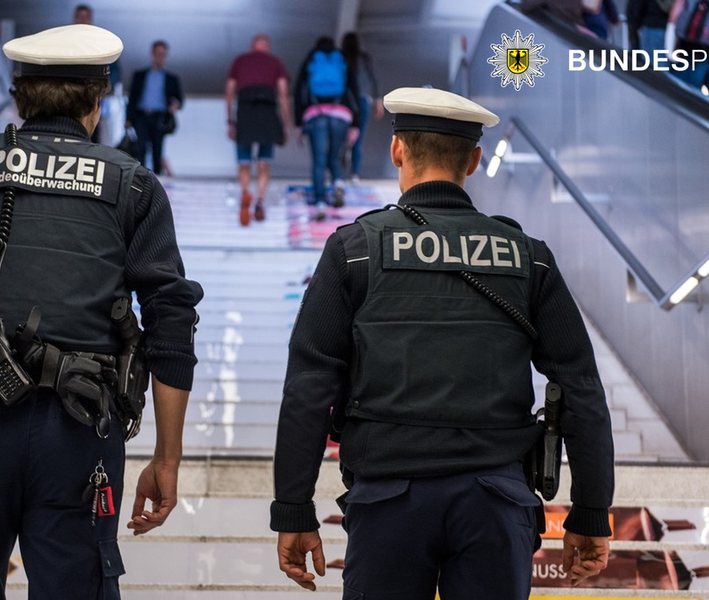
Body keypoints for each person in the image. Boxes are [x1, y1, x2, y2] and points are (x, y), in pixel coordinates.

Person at [270, 87, 614, 598]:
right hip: (497, 503)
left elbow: (308, 386)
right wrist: (589, 511)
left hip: (388, 502)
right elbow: (580, 386)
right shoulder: (528, 257)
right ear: (474, 161)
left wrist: (294, 507)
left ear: (397, 150)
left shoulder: (356, 250)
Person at [0, 24, 203, 599]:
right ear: (98, 101)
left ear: (18, 96)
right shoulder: (133, 187)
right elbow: (171, 323)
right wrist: (167, 457)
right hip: (79, 434)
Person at [225, 33, 291, 226]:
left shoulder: (240, 61)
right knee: (264, 162)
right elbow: (283, 93)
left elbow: (229, 92)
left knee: (243, 161)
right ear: (268, 46)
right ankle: (260, 201)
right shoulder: (275, 62)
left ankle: (245, 191)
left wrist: (230, 120)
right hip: (268, 112)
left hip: (245, 111)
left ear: (252, 45)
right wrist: (285, 124)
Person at [293, 35, 360, 221]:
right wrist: (355, 124)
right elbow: (354, 90)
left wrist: (298, 122)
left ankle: (320, 203)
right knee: (335, 156)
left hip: (315, 115)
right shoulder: (342, 60)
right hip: (340, 114)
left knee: (318, 160)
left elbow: (299, 90)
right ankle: (338, 183)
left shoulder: (311, 59)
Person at [126, 40, 184, 175]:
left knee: (157, 150)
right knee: (140, 149)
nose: (160, 57)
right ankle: (140, 178)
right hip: (141, 116)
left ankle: (157, 181)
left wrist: (175, 105)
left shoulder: (171, 79)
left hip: (160, 117)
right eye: (158, 54)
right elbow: (132, 98)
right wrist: (128, 119)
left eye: (163, 54)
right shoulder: (139, 75)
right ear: (152, 54)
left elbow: (180, 100)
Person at [72, 3, 124, 145]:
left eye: (86, 17)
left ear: (91, 19)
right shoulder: (67, 41)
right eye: (80, 17)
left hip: (95, 97)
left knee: (94, 133)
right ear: (74, 19)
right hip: (71, 96)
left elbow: (115, 71)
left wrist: (103, 88)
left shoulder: (102, 42)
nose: (82, 20)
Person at [341, 31, 383, 183]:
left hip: (344, 102)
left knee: (341, 137)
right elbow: (375, 79)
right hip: (363, 100)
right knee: (359, 138)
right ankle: (354, 174)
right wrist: (379, 101)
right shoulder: (365, 58)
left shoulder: (341, 58)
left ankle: (339, 173)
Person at [666, 0, 709, 91]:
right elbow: (675, 15)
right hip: (685, 45)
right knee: (678, 85)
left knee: (691, 86)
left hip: (702, 51)